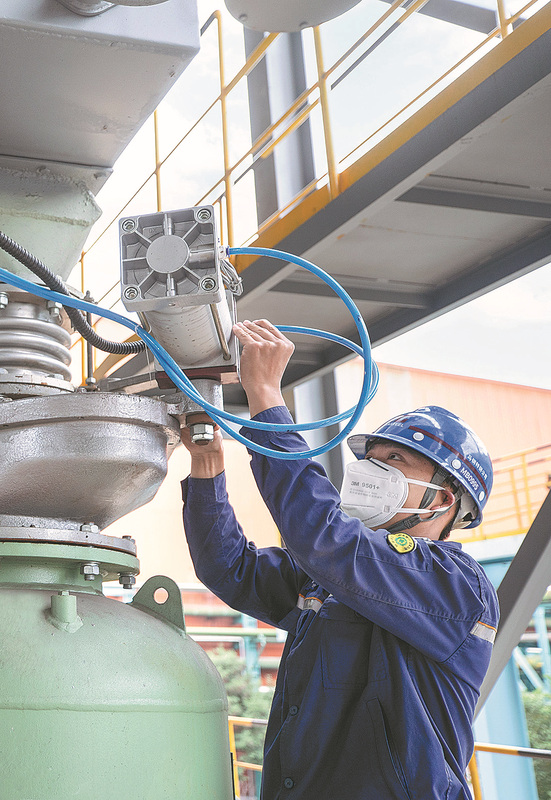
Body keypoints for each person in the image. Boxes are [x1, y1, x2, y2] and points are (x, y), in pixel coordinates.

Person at [181, 319, 497, 800]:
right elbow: (230, 568)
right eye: (372, 457)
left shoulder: (456, 585)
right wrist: (207, 467)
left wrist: (265, 396)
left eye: (395, 460)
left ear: (443, 499)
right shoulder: (330, 578)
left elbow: (322, 536)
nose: (370, 470)